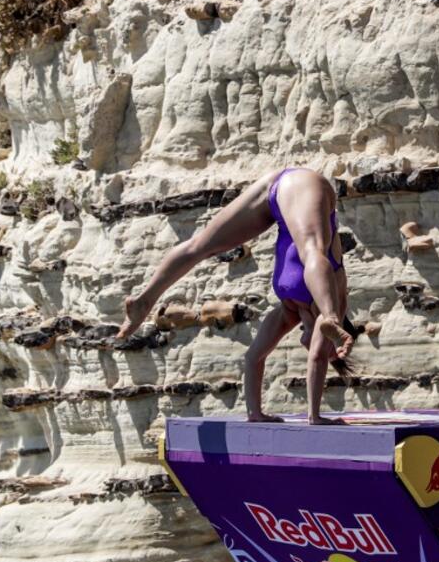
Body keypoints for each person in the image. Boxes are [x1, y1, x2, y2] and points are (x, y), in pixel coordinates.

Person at [116, 168, 356, 424]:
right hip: (306, 185)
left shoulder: (289, 312)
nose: (313, 348)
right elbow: (319, 358)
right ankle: (147, 297)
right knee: (312, 249)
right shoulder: (334, 304)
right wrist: (315, 416)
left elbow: (254, 357)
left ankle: (144, 301)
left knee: (202, 246)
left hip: (273, 191)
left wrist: (255, 413)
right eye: (331, 350)